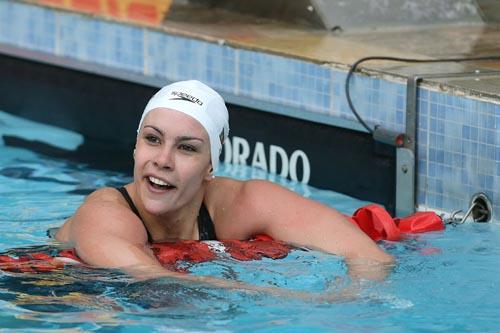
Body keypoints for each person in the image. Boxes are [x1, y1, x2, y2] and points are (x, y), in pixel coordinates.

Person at [55, 80, 393, 293]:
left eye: (186, 147)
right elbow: (154, 280)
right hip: (49, 290)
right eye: (152, 140)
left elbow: (370, 257)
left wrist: (344, 300)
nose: (163, 159)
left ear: (211, 165)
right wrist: (291, 299)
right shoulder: (104, 214)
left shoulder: (245, 202)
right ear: (135, 147)